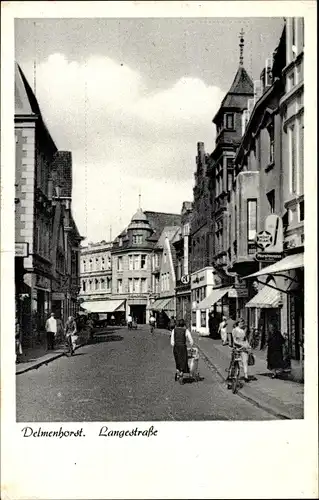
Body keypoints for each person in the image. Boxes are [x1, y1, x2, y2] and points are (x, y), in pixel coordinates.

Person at [170, 318, 194, 384]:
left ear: (177, 324)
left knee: (177, 360)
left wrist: (174, 345)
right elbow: (191, 340)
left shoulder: (174, 330)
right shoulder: (186, 331)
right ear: (183, 324)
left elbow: (172, 342)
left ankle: (178, 373)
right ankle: (181, 374)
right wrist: (191, 346)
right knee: (183, 361)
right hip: (183, 347)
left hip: (176, 347)